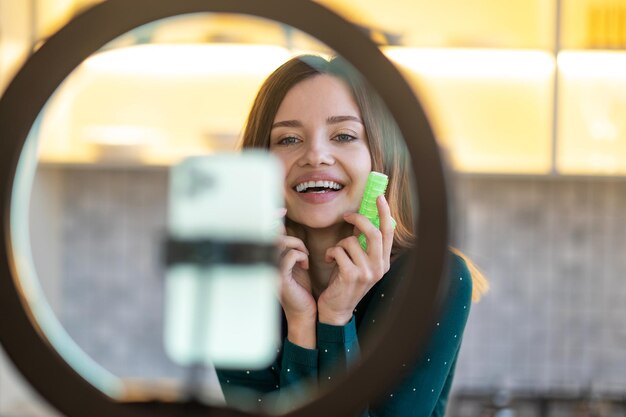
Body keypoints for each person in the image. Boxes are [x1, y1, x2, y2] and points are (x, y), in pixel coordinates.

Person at [216, 54, 488, 416]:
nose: (315, 155)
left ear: (382, 159)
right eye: (288, 139)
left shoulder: (435, 281)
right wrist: (300, 323)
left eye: (344, 135)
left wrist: (335, 318)